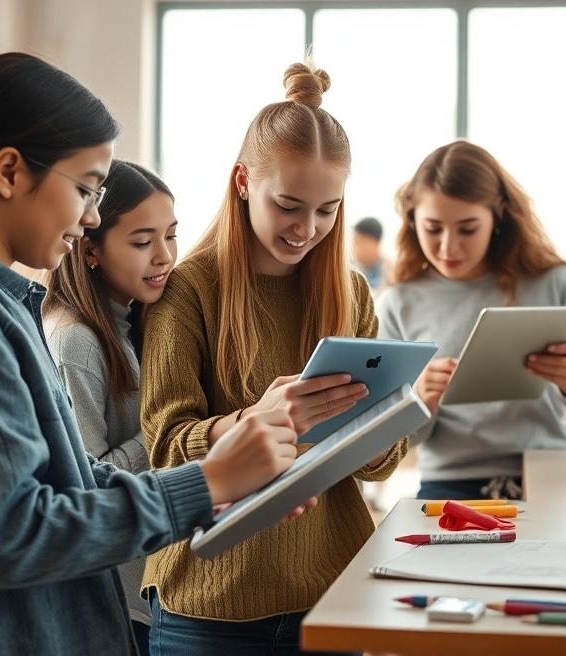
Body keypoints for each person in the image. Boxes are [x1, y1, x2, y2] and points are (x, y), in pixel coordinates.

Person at [0, 22, 303, 655]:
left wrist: (224, 486)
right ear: (11, 171)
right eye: (84, 188)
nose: (93, 216)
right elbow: (16, 533)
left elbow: (72, 488)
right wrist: (207, 481)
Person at [141, 62, 406, 654]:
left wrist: (388, 423)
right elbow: (162, 449)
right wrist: (255, 420)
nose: (306, 228)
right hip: (208, 603)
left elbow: (378, 467)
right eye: (288, 205)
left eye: (327, 209)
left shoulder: (352, 291)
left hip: (332, 589)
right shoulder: (187, 290)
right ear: (241, 181)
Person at [377, 140, 566, 500]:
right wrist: (418, 402)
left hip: (553, 476)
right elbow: (392, 444)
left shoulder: (553, 281)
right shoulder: (399, 301)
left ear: (498, 217)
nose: (448, 247)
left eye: (467, 228)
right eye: (432, 228)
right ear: (412, 221)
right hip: (451, 484)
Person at [41, 160, 177, 655]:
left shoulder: (142, 320)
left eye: (171, 236)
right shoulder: (75, 339)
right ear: (90, 248)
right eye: (142, 242)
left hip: (152, 573)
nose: (164, 257)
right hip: (116, 596)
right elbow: (86, 480)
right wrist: (167, 427)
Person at [350, 216, 391, 289]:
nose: (354, 247)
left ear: (374, 242)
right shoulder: (349, 272)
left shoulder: (393, 274)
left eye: (358, 241)